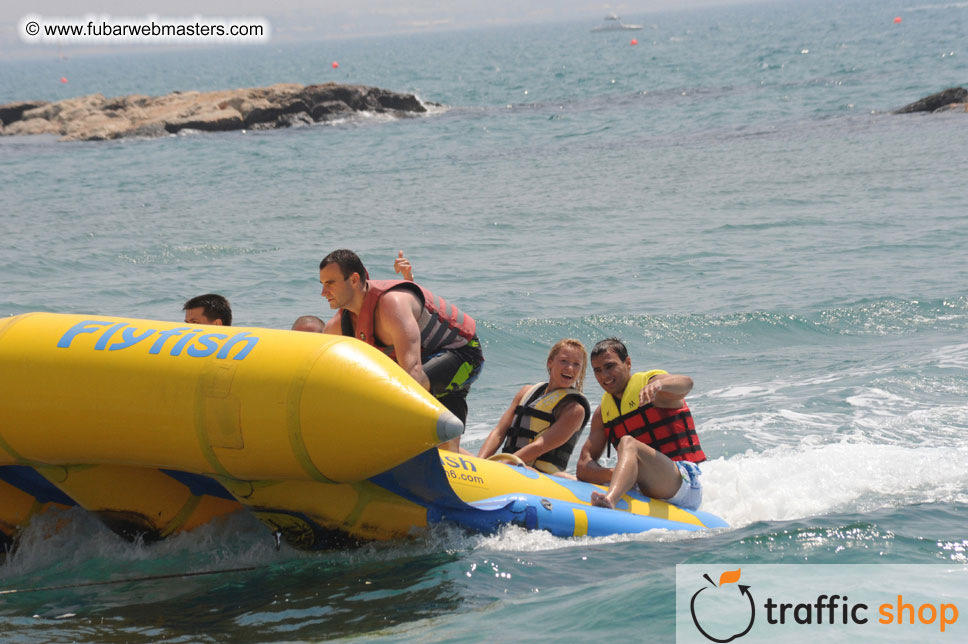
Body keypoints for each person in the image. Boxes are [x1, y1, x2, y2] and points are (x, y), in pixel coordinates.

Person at [318, 249, 484, 451]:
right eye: (322, 285)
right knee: (444, 445)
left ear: (354, 279)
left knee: (409, 403)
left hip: (462, 355)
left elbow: (413, 376)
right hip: (422, 364)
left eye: (330, 283)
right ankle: (478, 469)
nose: (323, 293)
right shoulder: (336, 328)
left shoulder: (392, 305)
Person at [577, 338, 706, 511]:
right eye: (597, 370)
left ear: (627, 363)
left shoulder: (652, 388)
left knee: (628, 443)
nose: (604, 376)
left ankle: (610, 501)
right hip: (643, 486)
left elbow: (686, 383)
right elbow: (584, 466)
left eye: (610, 366)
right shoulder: (603, 413)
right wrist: (621, 473)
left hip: (683, 484)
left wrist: (660, 385)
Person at [477, 339, 591, 475]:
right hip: (509, 467)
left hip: (541, 475)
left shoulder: (574, 409)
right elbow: (499, 432)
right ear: (550, 362)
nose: (570, 368)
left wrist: (502, 468)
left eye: (576, 364)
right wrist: (479, 464)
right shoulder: (526, 392)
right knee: (450, 448)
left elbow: (539, 446)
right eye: (564, 361)